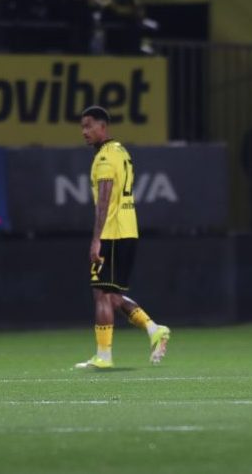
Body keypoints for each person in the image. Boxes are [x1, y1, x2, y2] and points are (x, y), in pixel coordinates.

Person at [75, 106, 171, 369]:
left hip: (112, 233)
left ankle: (103, 356)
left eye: (88, 126)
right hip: (128, 230)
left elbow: (104, 201)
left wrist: (96, 239)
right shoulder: (121, 152)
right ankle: (154, 329)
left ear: (103, 127)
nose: (84, 131)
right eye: (82, 127)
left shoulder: (105, 157)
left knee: (101, 294)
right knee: (113, 296)